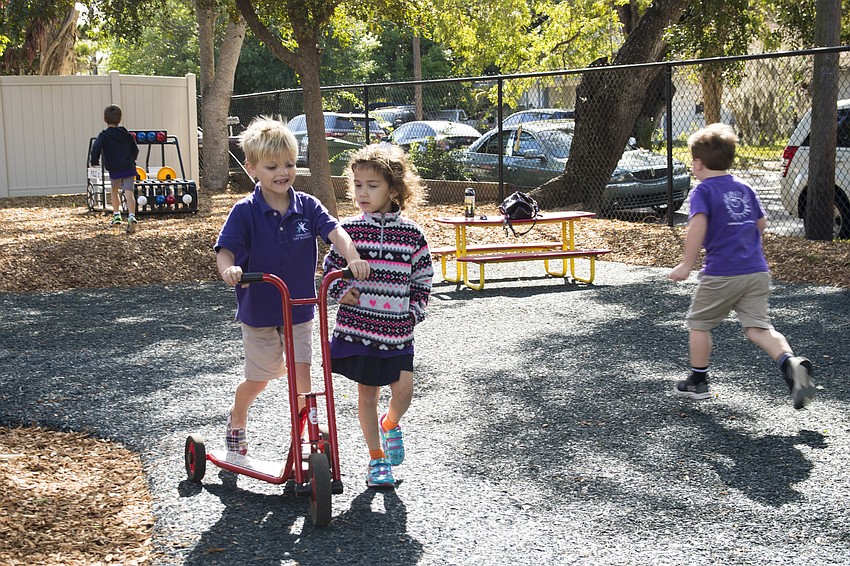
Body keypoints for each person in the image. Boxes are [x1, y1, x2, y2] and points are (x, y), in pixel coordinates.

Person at [214, 116, 370, 456]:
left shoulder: (308, 207)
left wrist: (352, 257)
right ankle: (237, 416)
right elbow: (224, 252)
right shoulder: (244, 212)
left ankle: (306, 438)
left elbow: (336, 232)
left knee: (303, 379)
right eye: (272, 167)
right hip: (260, 312)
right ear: (253, 169)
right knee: (261, 379)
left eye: (289, 163)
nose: (283, 172)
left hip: (299, 308)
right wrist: (229, 270)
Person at [668, 123, 815, 409]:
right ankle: (791, 363)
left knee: (699, 324)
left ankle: (698, 381)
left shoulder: (703, 191)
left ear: (698, 164)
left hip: (722, 273)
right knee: (758, 328)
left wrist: (686, 264)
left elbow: (697, 226)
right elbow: (760, 224)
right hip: (756, 271)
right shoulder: (744, 187)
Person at [323, 144, 433, 488]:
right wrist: (342, 292)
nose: (362, 193)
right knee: (367, 394)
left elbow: (423, 277)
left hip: (398, 333)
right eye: (357, 184)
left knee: (404, 390)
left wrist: (414, 312)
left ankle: (390, 424)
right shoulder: (348, 231)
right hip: (360, 330)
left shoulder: (412, 234)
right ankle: (376, 458)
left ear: (394, 190)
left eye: (372, 185)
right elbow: (329, 271)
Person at [90, 104, 140, 233]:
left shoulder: (104, 135)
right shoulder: (127, 135)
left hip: (115, 168)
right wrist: (133, 158)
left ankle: (117, 215)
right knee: (129, 192)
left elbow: (96, 148)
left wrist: (94, 161)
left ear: (105, 119)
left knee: (114, 190)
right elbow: (135, 149)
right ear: (120, 119)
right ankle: (131, 216)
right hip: (128, 167)